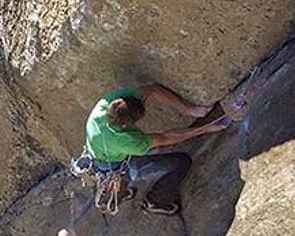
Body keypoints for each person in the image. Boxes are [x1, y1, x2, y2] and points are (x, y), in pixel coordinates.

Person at [84, 84, 229, 215]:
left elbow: (152, 89)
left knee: (121, 168)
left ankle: (121, 191)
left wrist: (191, 110)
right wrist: (205, 128)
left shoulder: (105, 105)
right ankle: (155, 201)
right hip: (118, 166)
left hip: (104, 156)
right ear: (126, 126)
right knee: (181, 162)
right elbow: (165, 138)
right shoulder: (129, 142)